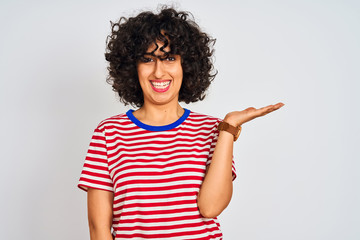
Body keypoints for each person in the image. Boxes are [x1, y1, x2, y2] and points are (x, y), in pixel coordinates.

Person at [78, 6, 284, 240]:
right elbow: (99, 229)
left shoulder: (211, 130)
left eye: (169, 58)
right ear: (132, 68)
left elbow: (211, 208)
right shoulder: (109, 133)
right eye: (147, 59)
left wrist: (228, 129)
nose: (158, 72)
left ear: (186, 65)